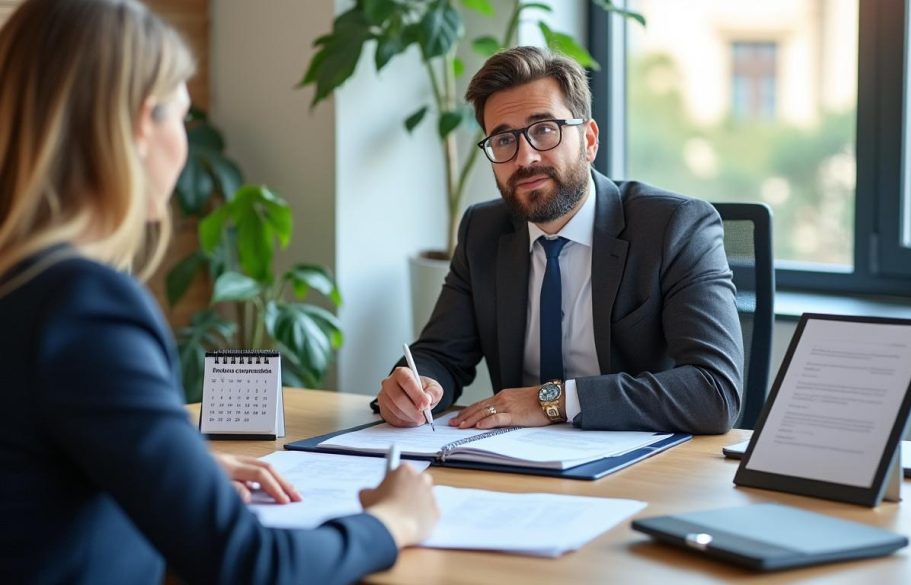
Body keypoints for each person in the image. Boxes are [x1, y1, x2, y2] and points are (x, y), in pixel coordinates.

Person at [0, 1, 437, 583]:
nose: (183, 146)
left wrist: (182, 468)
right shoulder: (84, 306)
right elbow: (247, 565)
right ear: (137, 124)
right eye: (180, 118)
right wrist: (392, 522)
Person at [376, 46, 744, 435]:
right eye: (503, 140)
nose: (525, 157)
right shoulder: (482, 231)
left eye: (544, 130)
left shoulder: (674, 227)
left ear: (589, 139)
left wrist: (551, 401)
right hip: (516, 464)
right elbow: (441, 354)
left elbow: (715, 391)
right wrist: (416, 387)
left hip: (642, 465)